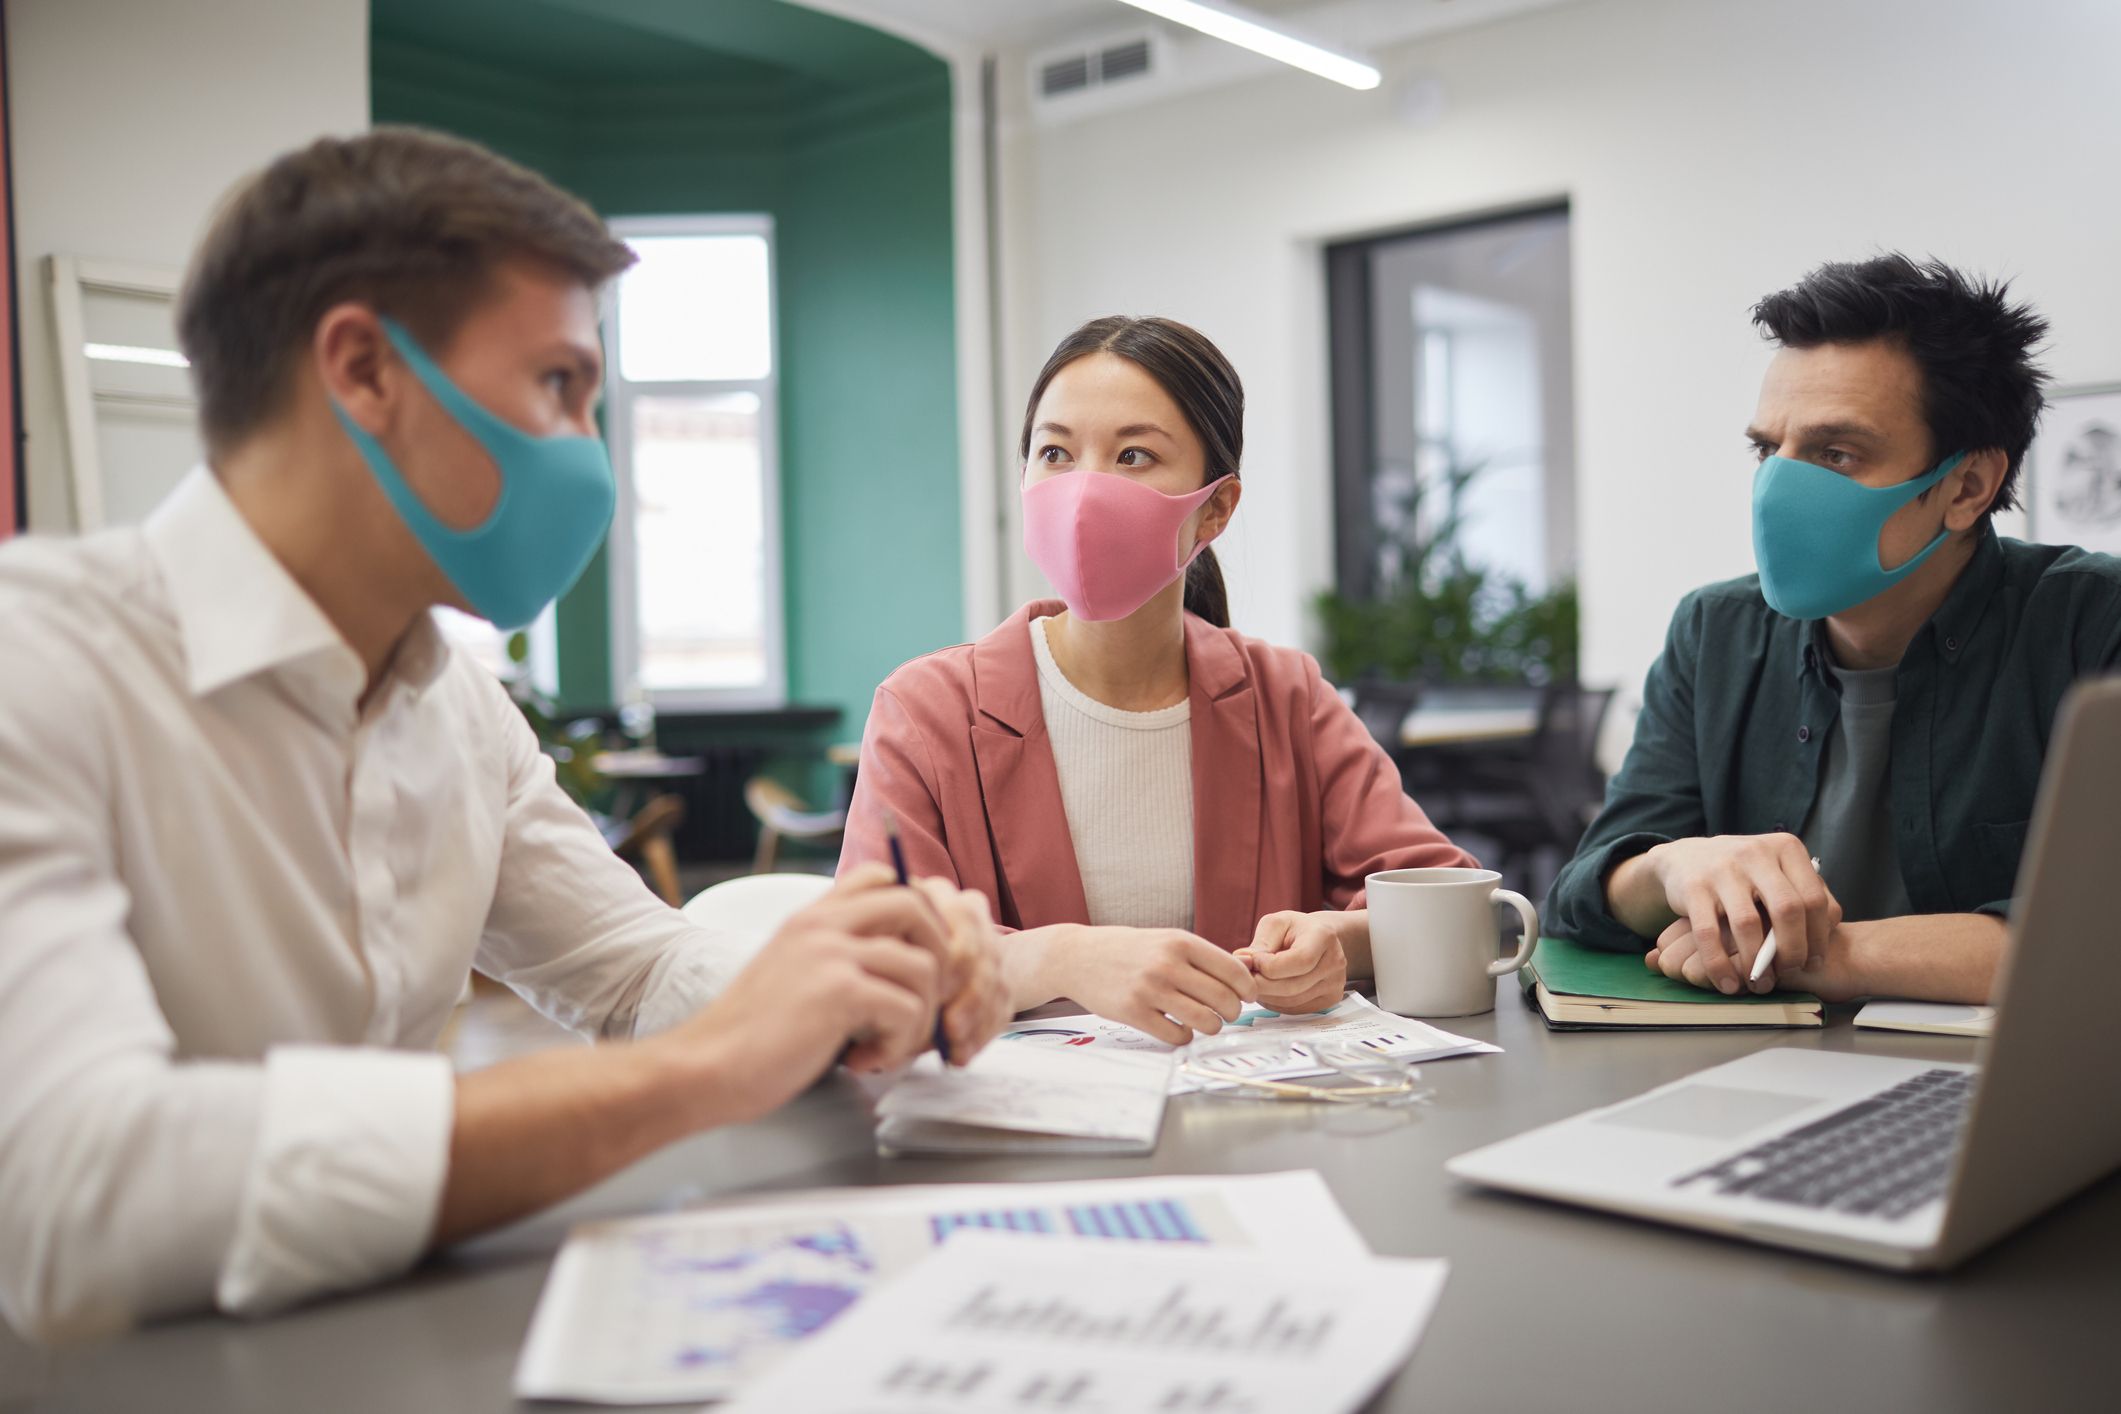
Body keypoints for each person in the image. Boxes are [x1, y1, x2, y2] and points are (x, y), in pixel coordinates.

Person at [0, 129, 1010, 1344]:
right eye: (559, 386)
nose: (590, 451)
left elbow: (633, 972)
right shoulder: (41, 666)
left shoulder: (457, 704)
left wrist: (840, 977)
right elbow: (69, 1199)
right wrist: (701, 1073)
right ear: (366, 368)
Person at [840, 316, 1475, 1042]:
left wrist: (1338, 941)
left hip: (1252, 1126)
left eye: (1134, 455)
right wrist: (1056, 957)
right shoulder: (924, 712)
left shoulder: (1284, 696)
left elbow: (1449, 898)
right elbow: (870, 968)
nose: (1083, 491)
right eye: (1055, 452)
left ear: (1215, 507)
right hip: (1025, 1140)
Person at [1547, 255, 2121, 1004]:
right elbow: (1583, 895)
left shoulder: (2089, 625)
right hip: (1745, 1073)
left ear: (1966, 486)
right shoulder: (1714, 631)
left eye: (1835, 454)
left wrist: (1828, 953)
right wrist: (1669, 868)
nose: (1778, 488)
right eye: (1766, 449)